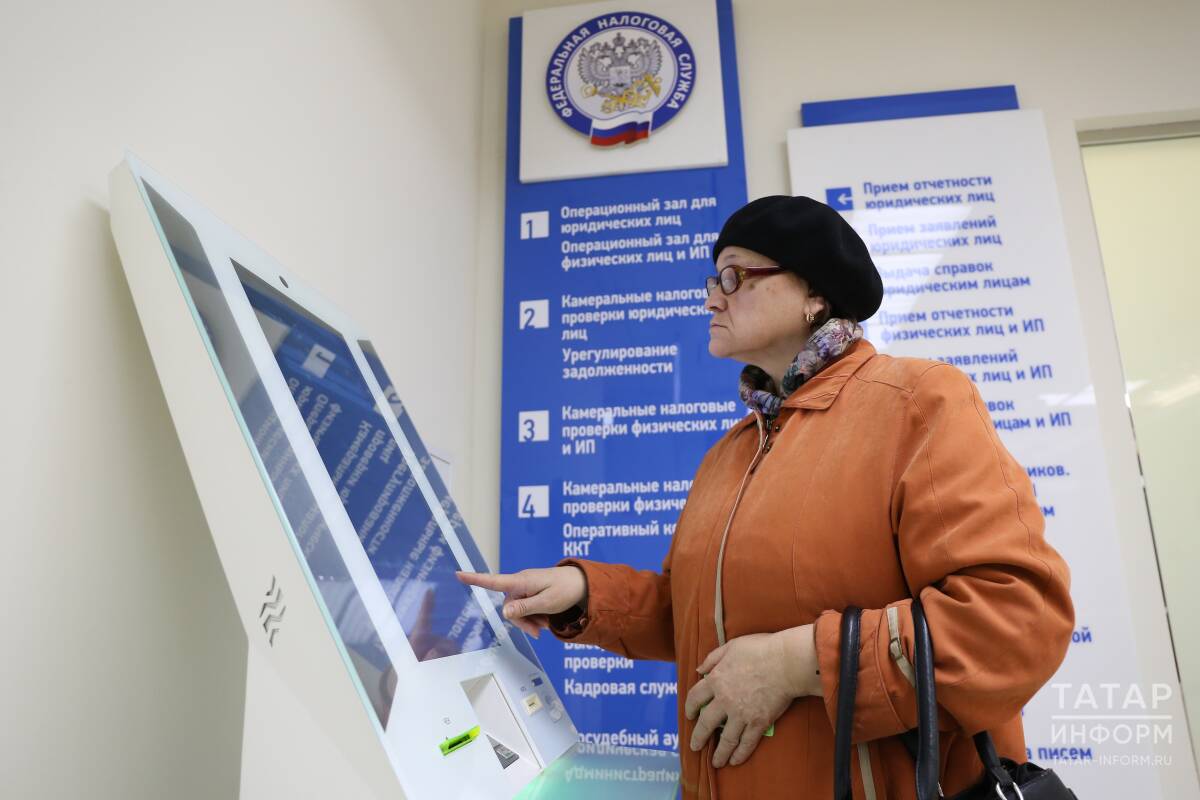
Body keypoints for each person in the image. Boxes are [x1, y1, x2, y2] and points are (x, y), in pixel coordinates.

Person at [458, 195, 1074, 799]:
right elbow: (693, 619)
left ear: (814, 296)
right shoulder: (728, 453)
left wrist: (797, 663)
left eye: (734, 276)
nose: (711, 297)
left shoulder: (917, 403)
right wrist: (584, 593)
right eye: (712, 280)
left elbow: (1013, 619)